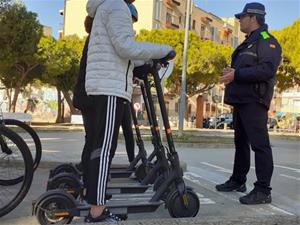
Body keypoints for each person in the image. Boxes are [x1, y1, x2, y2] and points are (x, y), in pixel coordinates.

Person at [84, 0, 173, 222]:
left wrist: (144, 60)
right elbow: (126, 47)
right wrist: (164, 50)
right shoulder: (116, 6)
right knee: (104, 150)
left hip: (102, 86)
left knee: (99, 148)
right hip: (109, 88)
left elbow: (121, 52)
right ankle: (97, 211)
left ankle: (94, 200)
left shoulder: (106, 6)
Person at [217, 2, 281, 205]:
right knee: (241, 144)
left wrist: (237, 74)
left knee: (260, 145)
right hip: (241, 100)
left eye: (242, 17)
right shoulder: (248, 43)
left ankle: (263, 190)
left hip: (254, 101)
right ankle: (238, 180)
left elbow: (267, 70)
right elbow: (243, 71)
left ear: (253, 18)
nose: (239, 20)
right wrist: (232, 74)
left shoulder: (266, 41)